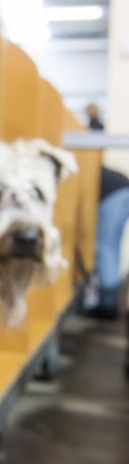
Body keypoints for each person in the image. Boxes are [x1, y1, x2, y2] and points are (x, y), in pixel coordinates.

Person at [84, 104, 129, 321]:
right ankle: (110, 300)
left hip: (115, 192)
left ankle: (108, 306)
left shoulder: (82, 163)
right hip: (122, 189)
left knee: (104, 247)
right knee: (111, 246)